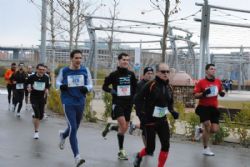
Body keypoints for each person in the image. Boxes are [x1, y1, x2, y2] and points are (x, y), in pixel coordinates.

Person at [133, 63, 179, 167]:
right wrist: (142, 115)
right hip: (150, 121)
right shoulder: (151, 85)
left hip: (162, 120)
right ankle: (139, 156)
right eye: (163, 72)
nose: (166, 74)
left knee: (166, 145)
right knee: (150, 149)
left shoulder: (169, 87)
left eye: (168, 71)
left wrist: (173, 112)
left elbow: (169, 103)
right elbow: (137, 99)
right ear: (157, 73)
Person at [56, 49, 93, 167]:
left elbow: (90, 84)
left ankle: (63, 135)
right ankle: (77, 156)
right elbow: (57, 82)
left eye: (80, 58)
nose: (78, 60)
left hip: (80, 101)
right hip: (68, 102)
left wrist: (86, 88)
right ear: (71, 58)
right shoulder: (64, 70)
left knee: (75, 127)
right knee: (73, 127)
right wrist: (62, 86)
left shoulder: (85, 70)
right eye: (76, 58)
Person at [102, 52, 137, 160]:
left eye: (127, 60)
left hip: (128, 104)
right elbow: (104, 87)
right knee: (123, 125)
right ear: (119, 61)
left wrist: (134, 100)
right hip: (117, 103)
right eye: (124, 60)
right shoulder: (113, 74)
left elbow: (135, 89)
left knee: (124, 128)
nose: (126, 62)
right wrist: (112, 91)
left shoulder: (131, 74)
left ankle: (111, 127)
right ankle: (121, 151)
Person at [193, 63, 225, 156]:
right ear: (206, 71)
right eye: (211, 69)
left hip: (213, 108)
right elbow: (195, 95)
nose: (213, 70)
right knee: (207, 125)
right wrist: (203, 93)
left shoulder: (218, 81)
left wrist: (222, 92)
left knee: (214, 129)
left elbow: (221, 90)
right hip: (203, 107)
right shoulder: (201, 82)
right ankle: (206, 148)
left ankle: (200, 131)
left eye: (214, 69)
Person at [129, 67, 154, 147]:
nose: (150, 75)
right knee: (145, 128)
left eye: (151, 74)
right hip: (142, 110)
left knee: (151, 127)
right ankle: (147, 147)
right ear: (144, 75)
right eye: (148, 74)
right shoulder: (140, 84)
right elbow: (135, 98)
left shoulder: (153, 84)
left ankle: (134, 126)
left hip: (151, 110)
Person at [27, 64, 50, 139]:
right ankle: (36, 132)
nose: (41, 71)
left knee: (41, 116)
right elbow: (26, 84)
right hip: (34, 98)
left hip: (41, 98)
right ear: (37, 69)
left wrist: (47, 90)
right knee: (37, 114)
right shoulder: (32, 77)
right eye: (40, 69)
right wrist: (28, 88)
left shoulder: (46, 77)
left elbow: (47, 86)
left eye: (43, 70)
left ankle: (35, 117)